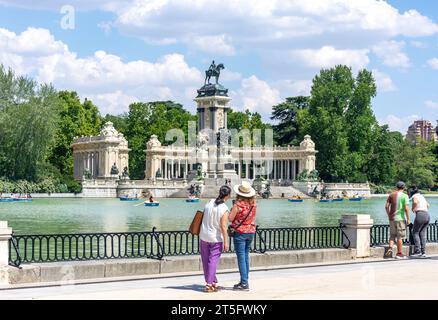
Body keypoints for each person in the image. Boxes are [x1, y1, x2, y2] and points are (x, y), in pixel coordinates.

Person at [199, 185, 231, 293]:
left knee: (205, 260)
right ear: (228, 195)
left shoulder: (209, 203)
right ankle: (209, 284)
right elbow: (223, 226)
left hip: (204, 235)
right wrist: (226, 241)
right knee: (212, 261)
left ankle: (212, 282)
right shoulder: (225, 209)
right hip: (215, 238)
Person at [229, 181, 257, 291]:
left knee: (241, 257)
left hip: (240, 232)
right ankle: (244, 281)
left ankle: (244, 283)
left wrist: (232, 209)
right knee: (245, 256)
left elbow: (230, 218)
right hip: (250, 231)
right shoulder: (254, 204)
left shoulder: (238, 205)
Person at [385, 181, 410, 259]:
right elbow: (406, 209)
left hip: (392, 218)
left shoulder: (391, 195)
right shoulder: (405, 196)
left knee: (392, 235)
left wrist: (389, 214)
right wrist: (408, 218)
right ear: (404, 187)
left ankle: (390, 248)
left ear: (396, 187)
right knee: (400, 237)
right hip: (400, 219)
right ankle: (399, 253)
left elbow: (386, 206)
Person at [408, 186, 430, 258]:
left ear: (411, 192)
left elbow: (415, 202)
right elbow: (428, 205)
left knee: (415, 232)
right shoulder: (421, 196)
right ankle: (423, 252)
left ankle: (418, 251)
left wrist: (413, 208)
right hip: (427, 214)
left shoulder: (414, 196)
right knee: (422, 234)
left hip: (420, 214)